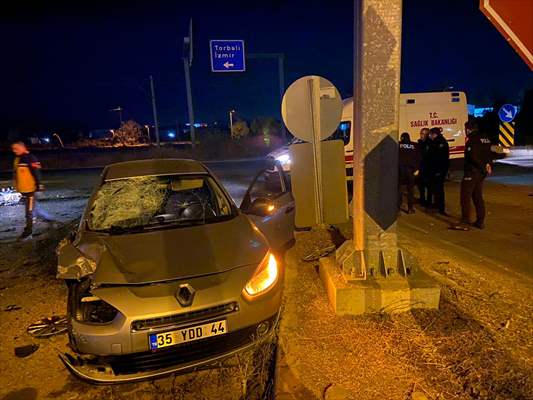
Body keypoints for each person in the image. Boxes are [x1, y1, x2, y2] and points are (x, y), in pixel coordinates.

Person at [454, 121, 493, 230]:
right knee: (478, 197)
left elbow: (473, 157)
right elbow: (489, 154)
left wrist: (480, 168)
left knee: (465, 197)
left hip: (472, 172)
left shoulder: (472, 139)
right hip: (481, 173)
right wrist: (487, 167)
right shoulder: (485, 138)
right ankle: (480, 221)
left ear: (468, 129)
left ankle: (465, 222)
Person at [11, 142, 51, 239]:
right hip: (24, 190)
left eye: (16, 148)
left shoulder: (30, 158)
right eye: (13, 149)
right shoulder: (18, 159)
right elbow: (16, 175)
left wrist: (39, 185)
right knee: (34, 209)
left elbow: (36, 172)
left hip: (31, 190)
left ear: (22, 147)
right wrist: (17, 187)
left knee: (29, 212)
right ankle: (50, 220)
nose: (14, 151)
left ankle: (28, 232)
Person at [426, 127, 449, 215]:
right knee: (436, 189)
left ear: (434, 134)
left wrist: (438, 171)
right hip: (438, 169)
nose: (429, 136)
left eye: (430, 134)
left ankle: (440, 207)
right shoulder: (438, 141)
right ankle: (437, 206)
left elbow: (438, 158)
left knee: (439, 189)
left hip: (438, 170)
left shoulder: (439, 143)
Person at [398, 132, 420, 213]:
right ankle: (410, 208)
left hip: (400, 170)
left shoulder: (398, 145)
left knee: (399, 189)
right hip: (411, 171)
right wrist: (417, 169)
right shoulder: (415, 145)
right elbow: (419, 158)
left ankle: (398, 207)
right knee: (410, 190)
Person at [417, 128, 430, 205]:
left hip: (427, 167)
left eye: (423, 134)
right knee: (420, 184)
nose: (421, 135)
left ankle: (428, 201)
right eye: (421, 133)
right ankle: (422, 198)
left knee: (428, 185)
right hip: (421, 167)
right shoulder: (420, 143)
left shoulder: (429, 144)